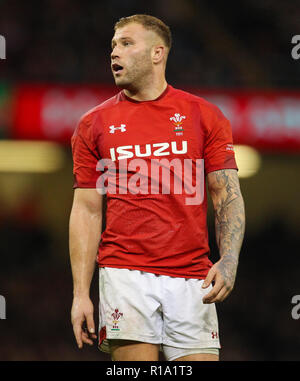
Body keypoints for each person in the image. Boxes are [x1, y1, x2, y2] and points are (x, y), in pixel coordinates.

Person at [69, 14, 245, 361]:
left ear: (157, 53)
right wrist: (79, 293)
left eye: (126, 43)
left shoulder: (204, 115)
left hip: (194, 277)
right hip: (125, 273)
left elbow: (227, 194)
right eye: (112, 45)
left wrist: (230, 258)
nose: (114, 53)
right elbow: (87, 210)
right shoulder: (93, 124)